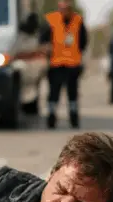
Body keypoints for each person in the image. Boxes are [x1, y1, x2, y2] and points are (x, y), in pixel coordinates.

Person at [40, 0, 88, 129]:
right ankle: (51, 118)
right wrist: (46, 48)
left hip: (73, 65)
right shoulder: (50, 20)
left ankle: (74, 119)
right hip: (56, 64)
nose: (65, 9)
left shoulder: (78, 20)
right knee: (53, 94)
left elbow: (83, 42)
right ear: (58, 7)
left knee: (72, 94)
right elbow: (42, 40)